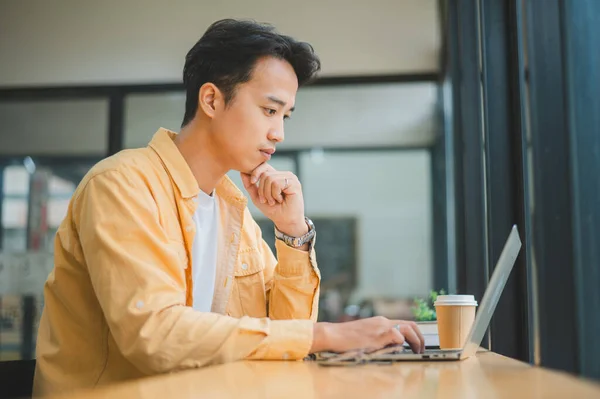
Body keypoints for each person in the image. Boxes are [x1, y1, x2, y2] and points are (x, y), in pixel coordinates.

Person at [33, 19, 424, 395]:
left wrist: (291, 231)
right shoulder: (122, 185)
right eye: (270, 110)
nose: (279, 133)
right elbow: (151, 336)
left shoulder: (232, 207)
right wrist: (328, 334)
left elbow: (286, 337)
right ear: (211, 100)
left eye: (285, 116)